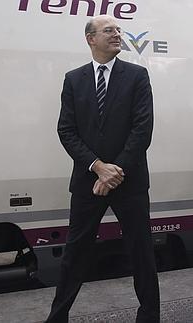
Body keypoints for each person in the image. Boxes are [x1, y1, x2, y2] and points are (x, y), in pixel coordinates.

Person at [47, 15, 160, 323]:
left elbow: (142, 129)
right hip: (88, 180)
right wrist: (98, 167)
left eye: (118, 30)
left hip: (130, 180)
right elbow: (66, 130)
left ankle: (149, 317)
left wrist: (115, 171)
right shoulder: (74, 79)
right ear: (90, 39)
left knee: (141, 253)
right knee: (75, 253)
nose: (117, 34)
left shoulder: (137, 76)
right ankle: (57, 317)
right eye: (109, 30)